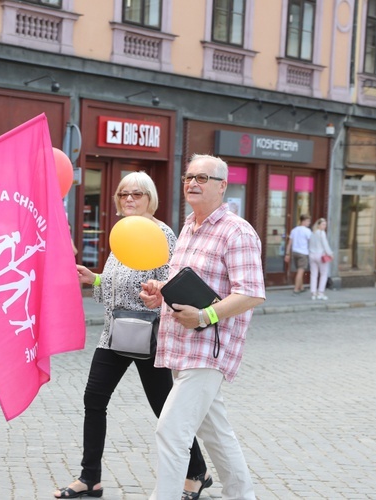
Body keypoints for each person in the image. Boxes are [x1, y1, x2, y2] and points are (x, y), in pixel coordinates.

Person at [54, 172, 211, 499]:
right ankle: (90, 478)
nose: (129, 199)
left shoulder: (163, 234)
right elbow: (115, 286)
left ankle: (196, 471)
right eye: (123, 194)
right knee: (93, 400)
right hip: (114, 334)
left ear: (150, 198)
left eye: (136, 194)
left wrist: (158, 292)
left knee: (165, 408)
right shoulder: (122, 233)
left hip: (150, 335)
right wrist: (94, 280)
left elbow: (174, 283)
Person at [140, 154, 265, 500]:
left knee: (171, 431)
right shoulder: (188, 227)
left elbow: (251, 294)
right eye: (189, 177)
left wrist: (204, 316)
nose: (192, 183)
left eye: (203, 178)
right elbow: (186, 282)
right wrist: (159, 291)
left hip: (209, 349)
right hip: (181, 347)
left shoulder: (237, 232)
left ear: (223, 186)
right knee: (217, 434)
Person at [284, 214, 312, 294]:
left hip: (295, 252)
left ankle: (301, 287)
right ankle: (296, 289)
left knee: (300, 270)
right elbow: (311, 242)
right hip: (303, 253)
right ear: (303, 221)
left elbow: (290, 243)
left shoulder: (294, 230)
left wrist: (287, 253)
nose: (309, 223)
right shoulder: (307, 231)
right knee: (300, 271)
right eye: (308, 221)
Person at [308, 217, 333, 301]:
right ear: (318, 225)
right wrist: (330, 254)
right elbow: (325, 245)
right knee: (323, 274)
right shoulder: (322, 233)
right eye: (323, 224)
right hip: (320, 255)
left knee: (314, 274)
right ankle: (320, 292)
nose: (324, 226)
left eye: (325, 224)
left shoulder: (312, 233)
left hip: (312, 255)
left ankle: (313, 292)